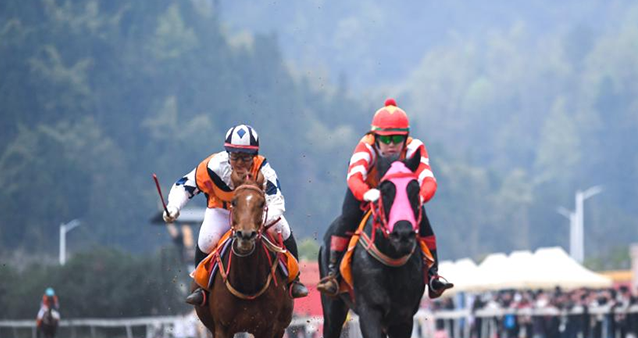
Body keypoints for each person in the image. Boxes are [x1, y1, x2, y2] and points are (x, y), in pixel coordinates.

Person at [316, 98, 452, 299]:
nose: (391, 145)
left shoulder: (416, 148)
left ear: (406, 138)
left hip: (402, 199)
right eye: (385, 139)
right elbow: (354, 178)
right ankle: (333, 274)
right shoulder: (365, 147)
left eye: (397, 139)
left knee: (424, 226)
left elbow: (429, 180)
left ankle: (433, 277)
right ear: (374, 137)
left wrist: (419, 198)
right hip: (367, 193)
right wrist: (368, 193)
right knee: (347, 218)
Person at [163, 124, 309, 303]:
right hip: (221, 211)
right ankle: (201, 288)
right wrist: (174, 207)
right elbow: (185, 185)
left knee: (282, 228)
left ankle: (294, 280)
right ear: (227, 153)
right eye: (235, 156)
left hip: (255, 214)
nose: (239, 163)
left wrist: (260, 220)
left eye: (245, 158)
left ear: (254, 157)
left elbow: (276, 200)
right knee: (207, 240)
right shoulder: (212, 166)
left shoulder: (264, 169)